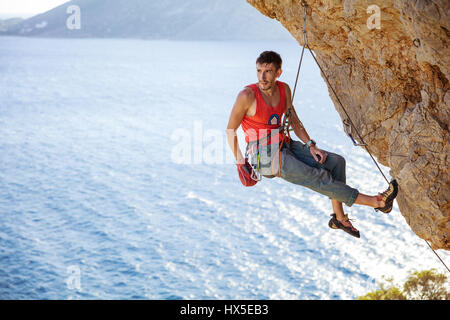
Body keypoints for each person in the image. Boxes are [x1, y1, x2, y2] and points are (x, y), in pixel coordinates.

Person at [225, 51, 398, 238]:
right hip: (264, 156)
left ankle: (339, 218)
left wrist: (310, 145)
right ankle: (378, 202)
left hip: (284, 144)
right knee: (318, 177)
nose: (262, 76)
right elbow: (230, 130)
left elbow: (294, 122)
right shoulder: (247, 95)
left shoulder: (284, 90)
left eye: (268, 71)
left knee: (335, 162)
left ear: (278, 73)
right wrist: (240, 162)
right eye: (259, 71)